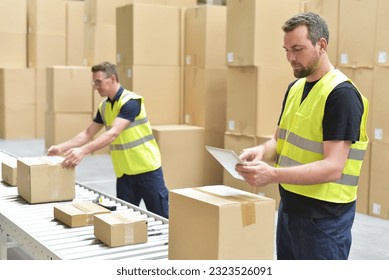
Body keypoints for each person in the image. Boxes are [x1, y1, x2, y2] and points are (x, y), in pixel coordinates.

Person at [235, 12, 369, 260]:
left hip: (324, 219)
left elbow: (333, 167)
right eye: (286, 50)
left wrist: (272, 174)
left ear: (321, 45)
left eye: (297, 49)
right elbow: (279, 140)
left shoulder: (341, 95)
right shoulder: (295, 87)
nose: (290, 58)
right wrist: (261, 152)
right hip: (290, 208)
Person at [47, 61, 169, 219]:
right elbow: (87, 133)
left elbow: (113, 133)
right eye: (94, 82)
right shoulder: (104, 107)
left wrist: (83, 151)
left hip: (147, 170)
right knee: (124, 219)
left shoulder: (131, 102)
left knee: (161, 217)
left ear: (112, 78)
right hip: (124, 173)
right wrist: (60, 148)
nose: (95, 86)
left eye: (98, 82)